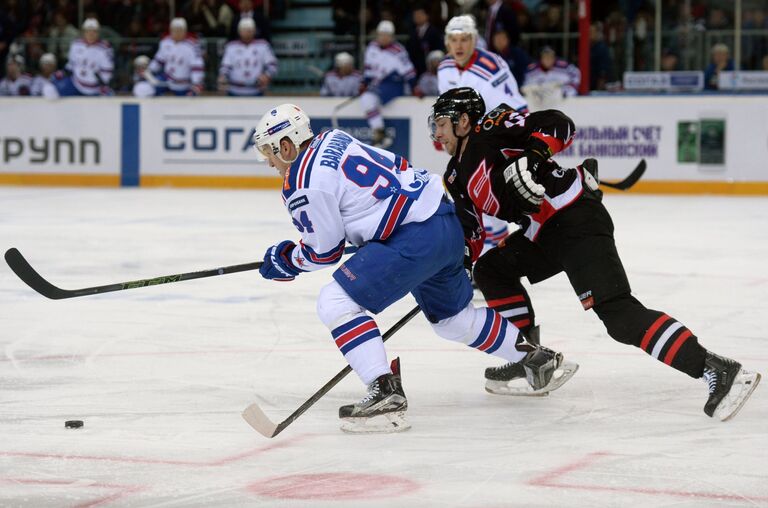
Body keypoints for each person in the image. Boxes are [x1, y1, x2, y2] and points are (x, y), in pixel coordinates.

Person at [429, 87, 761, 421]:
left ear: (464, 121)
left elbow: (559, 124)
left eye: (442, 123)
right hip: (544, 233)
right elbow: (471, 230)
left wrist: (532, 156)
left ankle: (716, 368)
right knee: (491, 269)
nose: (437, 133)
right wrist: (460, 262)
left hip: (574, 217)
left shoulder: (492, 129)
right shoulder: (455, 177)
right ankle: (532, 361)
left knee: (618, 316)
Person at [252, 103, 574, 433]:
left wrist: (285, 260)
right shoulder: (334, 138)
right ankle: (537, 360)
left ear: (287, 145)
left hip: (412, 237)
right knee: (453, 320)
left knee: (335, 301)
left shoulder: (302, 181)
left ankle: (384, 392)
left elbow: (325, 252)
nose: (270, 162)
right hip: (444, 221)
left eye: (270, 152)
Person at [438, 14, 527, 253]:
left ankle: (493, 259)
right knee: (469, 204)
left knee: (491, 204)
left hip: (493, 142)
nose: (459, 45)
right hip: (466, 147)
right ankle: (485, 258)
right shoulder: (445, 67)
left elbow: (516, 109)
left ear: (474, 40)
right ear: (447, 43)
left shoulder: (491, 68)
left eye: (465, 39)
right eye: (454, 39)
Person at [361, 20, 419, 148]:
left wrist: (414, 86)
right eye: (381, 34)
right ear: (377, 34)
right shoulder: (372, 47)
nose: (384, 37)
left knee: (368, 99)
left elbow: (408, 71)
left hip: (394, 83)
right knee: (366, 100)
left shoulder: (398, 50)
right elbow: (369, 69)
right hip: (378, 84)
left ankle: (379, 133)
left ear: (392, 36)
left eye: (387, 35)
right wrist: (364, 83)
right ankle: (379, 132)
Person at [218, 18, 277, 96]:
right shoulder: (231, 46)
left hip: (256, 91)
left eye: (250, 30)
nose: (247, 33)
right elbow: (225, 67)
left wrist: (266, 76)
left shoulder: (262, 45)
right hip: (234, 91)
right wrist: (223, 77)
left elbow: (272, 65)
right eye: (244, 30)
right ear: (239, 31)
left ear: (254, 31)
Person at [58, 18, 113, 96]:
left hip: (95, 89)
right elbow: (71, 65)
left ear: (98, 33)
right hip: (76, 84)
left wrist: (103, 85)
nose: (91, 34)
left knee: (109, 101)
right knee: (54, 89)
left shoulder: (105, 49)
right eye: (88, 31)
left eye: (94, 31)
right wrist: (62, 73)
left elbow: (107, 72)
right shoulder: (76, 44)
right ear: (84, 32)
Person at [149, 18, 205, 96]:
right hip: (167, 80)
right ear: (171, 30)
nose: (177, 33)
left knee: (187, 103)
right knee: (145, 89)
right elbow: (158, 61)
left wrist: (196, 83)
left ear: (185, 31)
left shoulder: (193, 46)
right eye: (175, 30)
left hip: (184, 84)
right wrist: (148, 71)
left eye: (180, 30)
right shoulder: (165, 42)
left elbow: (197, 67)